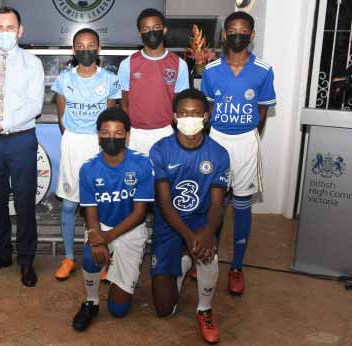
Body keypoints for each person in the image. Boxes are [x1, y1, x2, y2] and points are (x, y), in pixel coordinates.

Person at [201, 11, 276, 296]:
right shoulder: (210, 71)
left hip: (245, 141)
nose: (237, 35)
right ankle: (208, 259)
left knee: (243, 203)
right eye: (231, 30)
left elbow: (262, 110)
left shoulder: (264, 70)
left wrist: (251, 137)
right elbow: (206, 110)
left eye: (243, 31)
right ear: (224, 35)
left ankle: (237, 268)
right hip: (217, 139)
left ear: (252, 35)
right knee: (216, 203)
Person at [0, 6, 45, 287]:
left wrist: (5, 123)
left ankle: (26, 260)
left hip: (21, 139)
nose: (4, 33)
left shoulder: (32, 63)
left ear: (20, 30)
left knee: (25, 202)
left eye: (10, 27)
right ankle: (1, 254)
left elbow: (34, 105)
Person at [149, 89, 230, 344]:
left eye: (196, 113)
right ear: (174, 117)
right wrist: (188, 237)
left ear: (207, 116)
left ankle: (204, 308)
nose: (190, 118)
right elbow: (163, 202)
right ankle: (184, 259)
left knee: (207, 251)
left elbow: (217, 204)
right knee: (164, 310)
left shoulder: (219, 153)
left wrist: (206, 234)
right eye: (183, 113)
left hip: (201, 220)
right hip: (169, 222)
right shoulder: (160, 150)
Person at [71, 108, 154, 331]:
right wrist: (97, 238)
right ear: (98, 135)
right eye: (106, 132)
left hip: (130, 229)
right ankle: (92, 301)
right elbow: (90, 211)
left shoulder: (142, 165)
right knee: (90, 257)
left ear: (127, 135)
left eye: (118, 133)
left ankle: (121, 275)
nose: (111, 138)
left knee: (118, 311)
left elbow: (139, 214)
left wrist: (107, 238)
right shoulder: (88, 168)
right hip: (103, 226)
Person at [51, 28, 120, 281]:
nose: (85, 49)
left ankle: (104, 260)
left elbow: (111, 118)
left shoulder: (110, 80)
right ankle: (69, 257)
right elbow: (61, 119)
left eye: (90, 45)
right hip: (73, 144)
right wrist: (72, 140)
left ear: (99, 49)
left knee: (101, 205)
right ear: (73, 50)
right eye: (79, 45)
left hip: (99, 145)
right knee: (70, 204)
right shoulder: (64, 79)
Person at [118, 8, 189, 155]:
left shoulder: (179, 64)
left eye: (156, 28)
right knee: (136, 177)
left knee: (163, 177)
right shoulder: (127, 63)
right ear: (140, 33)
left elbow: (180, 104)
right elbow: (124, 104)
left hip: (165, 132)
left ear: (164, 30)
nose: (151, 32)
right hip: (135, 134)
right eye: (146, 29)